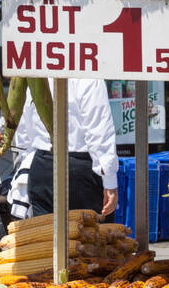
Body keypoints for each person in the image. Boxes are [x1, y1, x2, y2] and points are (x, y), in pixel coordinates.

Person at [17, 78, 118, 218]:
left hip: (42, 165)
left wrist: (26, 162)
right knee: (90, 236)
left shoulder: (36, 71)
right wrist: (110, 181)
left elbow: (23, 129)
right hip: (79, 170)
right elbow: (99, 132)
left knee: (48, 236)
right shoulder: (88, 75)